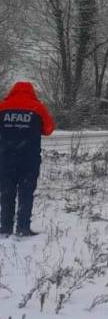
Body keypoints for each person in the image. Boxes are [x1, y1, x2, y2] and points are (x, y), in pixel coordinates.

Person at [0, 81, 55, 236]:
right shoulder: (37, 108)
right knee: (26, 193)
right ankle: (23, 228)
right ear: (31, 92)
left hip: (5, 158)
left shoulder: (2, 106)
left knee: (6, 192)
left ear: (12, 91)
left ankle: (5, 227)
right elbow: (48, 129)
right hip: (29, 159)